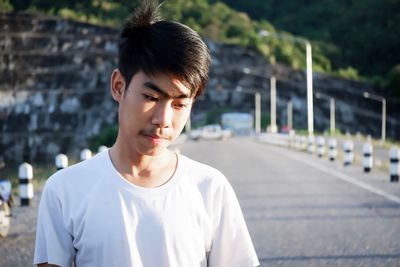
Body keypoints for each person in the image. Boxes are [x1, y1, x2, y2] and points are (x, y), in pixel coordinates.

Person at [34, 1, 259, 266]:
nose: (163, 120)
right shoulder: (65, 191)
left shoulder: (210, 188)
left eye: (179, 104)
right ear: (119, 86)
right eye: (151, 97)